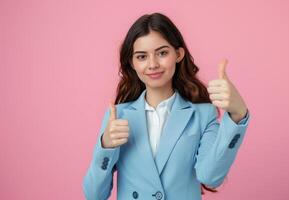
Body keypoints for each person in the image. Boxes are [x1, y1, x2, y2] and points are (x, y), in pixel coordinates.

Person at [82, 12, 250, 200]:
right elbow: (94, 195)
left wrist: (237, 115)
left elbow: (210, 177)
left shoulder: (203, 115)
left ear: (178, 54)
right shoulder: (118, 116)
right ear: (132, 63)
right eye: (142, 56)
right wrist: (105, 146)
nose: (152, 64)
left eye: (162, 53)